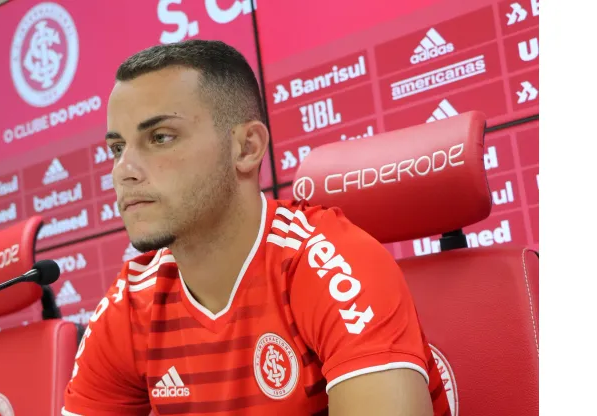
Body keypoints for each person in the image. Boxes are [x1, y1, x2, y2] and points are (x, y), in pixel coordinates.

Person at [62, 40, 450, 416]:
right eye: (117, 148)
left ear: (246, 148)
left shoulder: (329, 263)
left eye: (160, 138)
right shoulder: (131, 304)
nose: (124, 171)